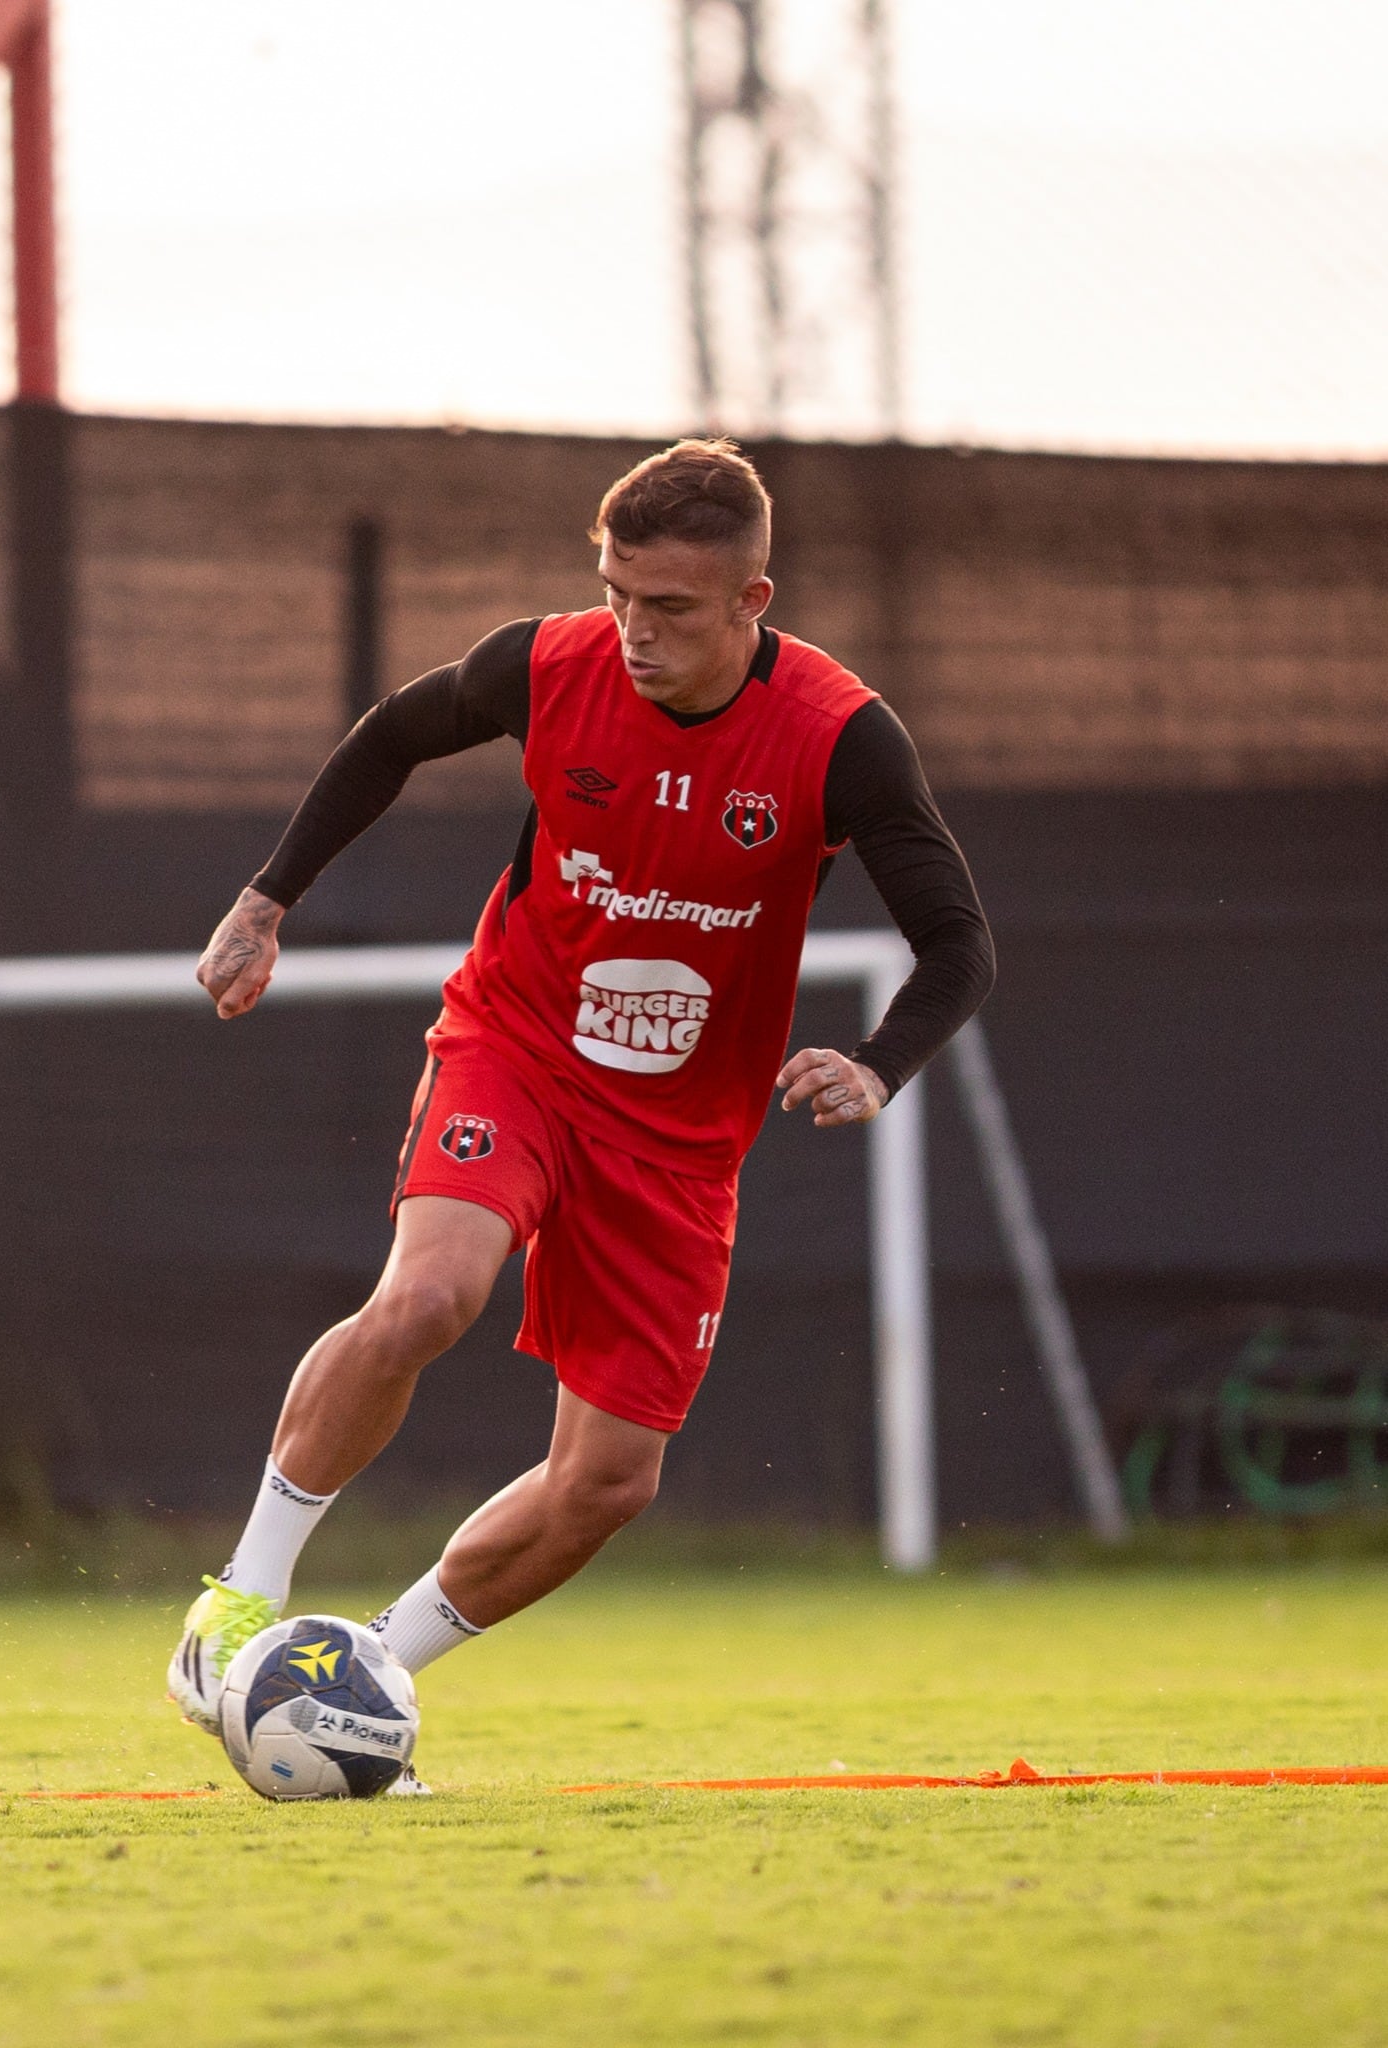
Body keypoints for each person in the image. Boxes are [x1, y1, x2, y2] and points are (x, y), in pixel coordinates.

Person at [167, 439, 994, 1781]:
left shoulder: (839, 740)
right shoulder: (545, 666)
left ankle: (362, 1671)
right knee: (432, 1296)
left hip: (678, 1138)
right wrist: (268, 899)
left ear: (751, 602)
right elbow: (391, 737)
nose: (633, 630)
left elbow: (957, 943)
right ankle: (239, 1601)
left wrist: (880, 1063)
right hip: (521, 1049)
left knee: (611, 1483)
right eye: (616, 592)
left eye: (668, 608)